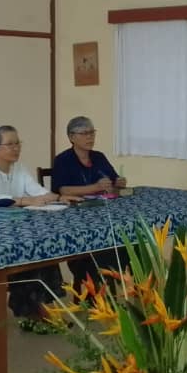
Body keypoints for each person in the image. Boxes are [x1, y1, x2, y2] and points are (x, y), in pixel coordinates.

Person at [0, 125, 80, 331]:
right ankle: (32, 310)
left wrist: (59, 197)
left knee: (44, 245)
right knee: (24, 249)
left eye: (18, 143)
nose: (16, 148)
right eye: (10, 144)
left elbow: (37, 190)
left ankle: (40, 306)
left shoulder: (18, 167)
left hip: (12, 225)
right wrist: (28, 200)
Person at [51, 116, 129, 288]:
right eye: (84, 133)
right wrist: (95, 187)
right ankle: (98, 290)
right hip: (76, 221)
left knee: (129, 242)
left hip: (102, 215)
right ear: (71, 137)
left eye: (92, 132)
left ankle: (122, 284)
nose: (90, 137)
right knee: (103, 251)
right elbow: (63, 190)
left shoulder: (99, 157)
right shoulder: (63, 160)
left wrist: (119, 182)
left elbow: (113, 180)